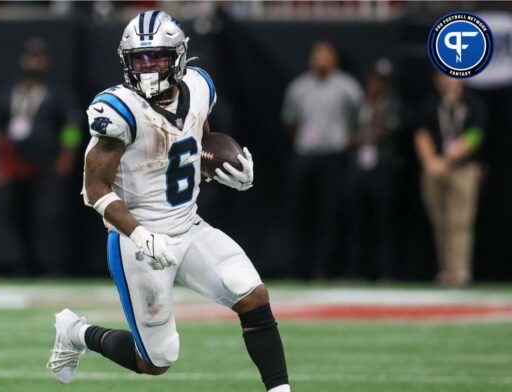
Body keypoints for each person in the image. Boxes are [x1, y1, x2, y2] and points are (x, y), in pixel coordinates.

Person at [48, 11, 290, 392]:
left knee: (251, 292)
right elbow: (95, 189)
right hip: (138, 241)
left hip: (189, 227)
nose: (147, 66)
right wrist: (142, 235)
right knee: (156, 361)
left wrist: (224, 170)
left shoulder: (199, 87)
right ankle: (76, 332)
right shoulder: (118, 109)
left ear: (178, 56)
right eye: (139, 58)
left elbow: (198, 144)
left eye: (157, 56)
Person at [0, 38, 81, 276]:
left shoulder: (57, 94)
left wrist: (66, 157)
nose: (34, 63)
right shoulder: (11, 93)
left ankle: (53, 265)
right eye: (31, 57)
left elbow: (72, 127)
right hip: (15, 162)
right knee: (17, 212)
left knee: (49, 215)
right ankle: (24, 262)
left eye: (39, 58)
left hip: (47, 162)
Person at [281, 41, 362, 279]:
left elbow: (357, 121)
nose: (321, 60)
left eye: (326, 55)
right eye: (317, 55)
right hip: (305, 155)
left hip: (334, 156)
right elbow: (290, 122)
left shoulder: (347, 87)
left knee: (331, 214)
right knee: (300, 213)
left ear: (335, 59)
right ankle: (296, 269)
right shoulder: (299, 87)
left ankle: (325, 270)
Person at [414, 73, 486, 287]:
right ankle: (446, 270)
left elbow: (475, 135)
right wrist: (431, 162)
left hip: (463, 169)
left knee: (460, 222)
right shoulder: (431, 103)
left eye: (451, 77)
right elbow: (421, 134)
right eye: (442, 77)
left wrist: (447, 159)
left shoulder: (472, 103)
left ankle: (460, 271)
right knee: (440, 221)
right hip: (434, 169)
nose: (447, 81)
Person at [344, 59, 401, 281]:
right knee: (355, 220)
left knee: (383, 221)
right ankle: (355, 271)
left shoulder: (391, 103)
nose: (379, 85)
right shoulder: (359, 103)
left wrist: (371, 128)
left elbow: (390, 129)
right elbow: (348, 133)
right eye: (376, 80)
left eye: (384, 82)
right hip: (359, 166)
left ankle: (386, 272)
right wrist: (360, 136)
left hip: (382, 167)